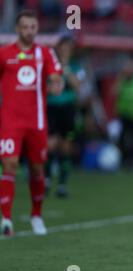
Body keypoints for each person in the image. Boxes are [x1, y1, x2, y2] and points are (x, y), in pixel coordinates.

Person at [0, 10, 63, 237]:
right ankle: (6, 219)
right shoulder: (4, 54)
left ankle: (36, 215)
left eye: (33, 27)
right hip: (10, 121)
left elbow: (56, 74)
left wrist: (56, 82)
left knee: (37, 169)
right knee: (10, 164)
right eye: (25, 27)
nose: (29, 31)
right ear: (17, 29)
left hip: (36, 122)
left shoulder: (44, 53)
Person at [45, 34, 83, 198]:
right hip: (51, 108)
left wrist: (65, 68)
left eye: (68, 48)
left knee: (66, 146)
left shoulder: (75, 67)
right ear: (58, 49)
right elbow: (45, 86)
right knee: (50, 145)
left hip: (68, 109)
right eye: (63, 47)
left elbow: (77, 86)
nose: (65, 51)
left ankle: (62, 184)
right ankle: (46, 179)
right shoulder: (49, 66)